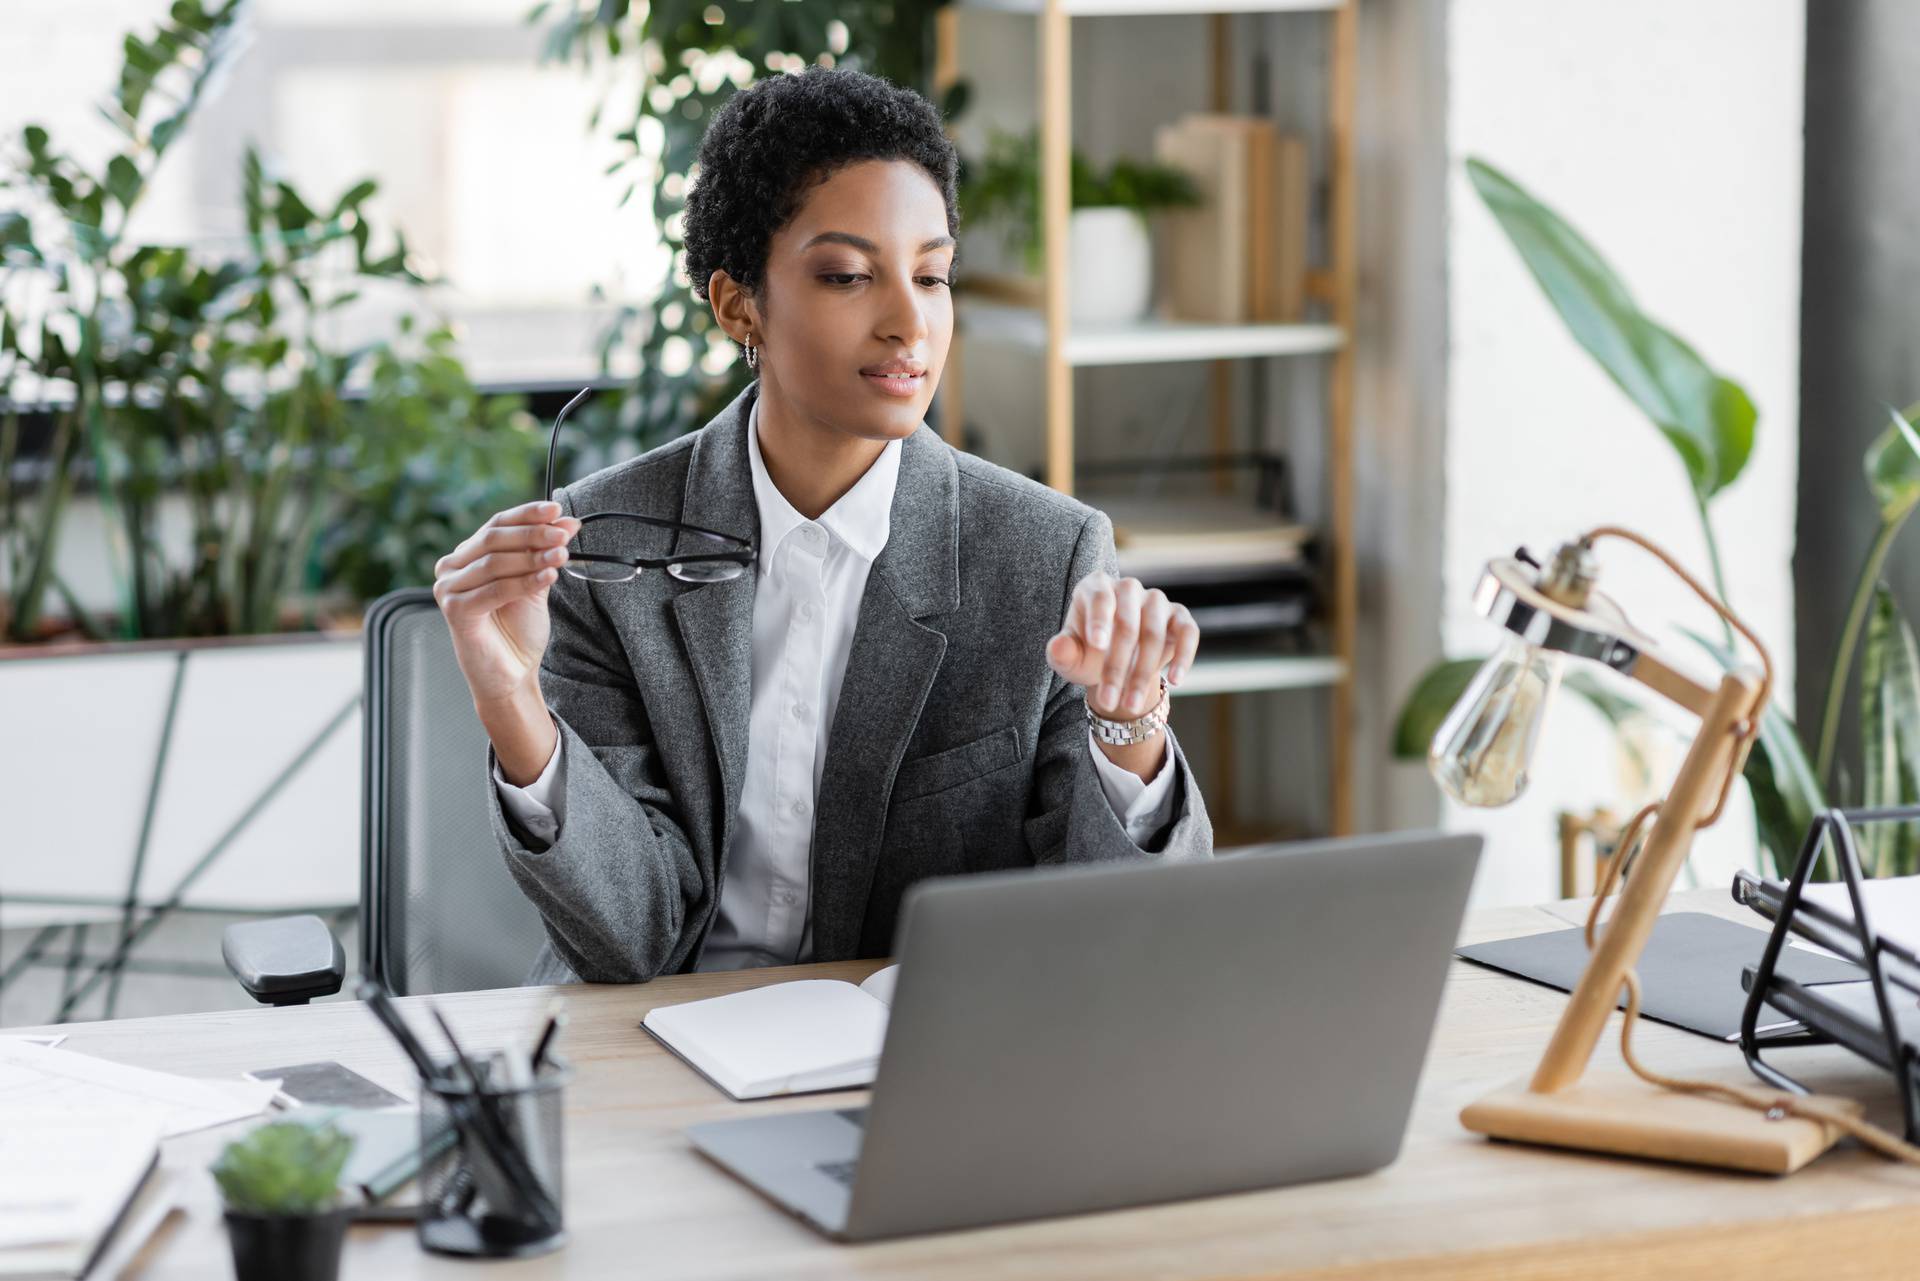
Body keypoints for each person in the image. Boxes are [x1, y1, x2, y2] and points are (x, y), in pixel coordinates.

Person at [432, 66, 1213, 985]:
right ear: (738, 305)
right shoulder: (606, 542)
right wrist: (511, 703)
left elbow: (1114, 940)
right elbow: (631, 937)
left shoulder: (1041, 554)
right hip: (658, 1041)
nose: (907, 323)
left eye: (932, 275)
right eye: (848, 275)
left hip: (913, 1054)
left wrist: (1130, 732)